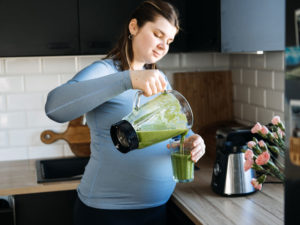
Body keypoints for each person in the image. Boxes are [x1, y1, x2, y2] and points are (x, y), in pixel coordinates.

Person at [45, 0, 206, 224]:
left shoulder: (159, 80)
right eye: (158, 34)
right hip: (107, 214)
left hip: (155, 211)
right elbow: (54, 107)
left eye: (169, 41)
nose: (163, 46)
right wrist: (127, 79)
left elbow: (174, 132)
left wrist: (192, 140)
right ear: (134, 27)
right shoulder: (106, 71)